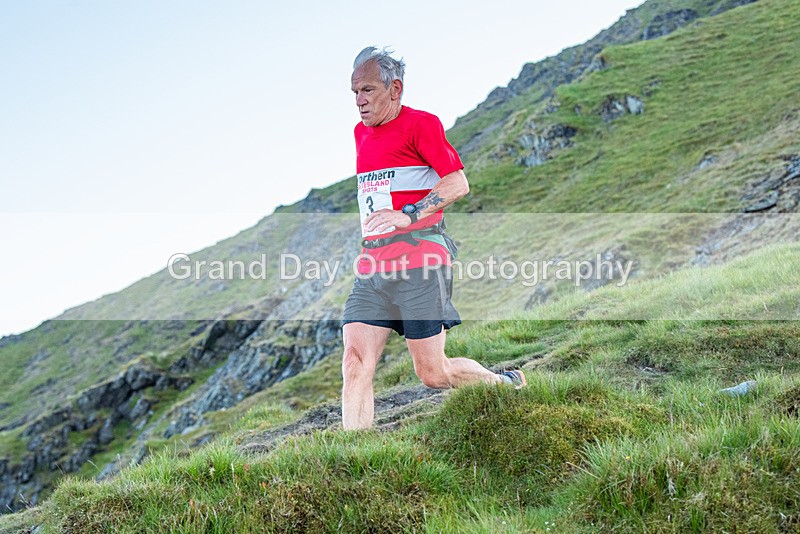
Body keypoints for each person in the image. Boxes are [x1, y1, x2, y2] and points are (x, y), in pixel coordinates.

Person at [340, 46, 526, 430]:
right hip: (373, 265)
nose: (359, 101)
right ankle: (354, 458)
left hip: (421, 259)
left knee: (433, 373)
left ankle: (503, 384)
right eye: (354, 92)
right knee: (355, 363)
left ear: (395, 89)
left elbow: (458, 183)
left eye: (368, 90)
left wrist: (406, 214)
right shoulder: (360, 134)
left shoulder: (421, 125)